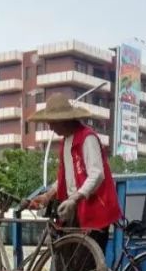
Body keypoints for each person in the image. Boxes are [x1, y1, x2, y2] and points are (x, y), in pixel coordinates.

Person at [26, 94, 122, 256]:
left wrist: (75, 198)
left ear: (63, 120)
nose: (50, 127)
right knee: (66, 257)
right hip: (74, 208)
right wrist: (48, 195)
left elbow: (97, 174)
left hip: (93, 209)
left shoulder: (87, 138)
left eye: (52, 122)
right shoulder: (66, 141)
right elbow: (65, 178)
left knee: (85, 262)